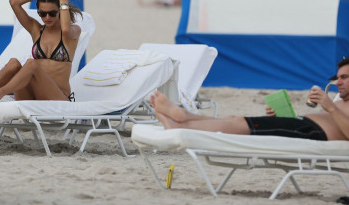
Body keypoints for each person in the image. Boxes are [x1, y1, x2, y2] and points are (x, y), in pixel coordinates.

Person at [150, 57, 349, 141]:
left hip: (310, 132)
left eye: (344, 77)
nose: (338, 82)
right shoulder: (341, 102)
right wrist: (282, 115)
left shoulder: (336, 105)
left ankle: (182, 126)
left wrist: (330, 107)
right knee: (234, 118)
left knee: (239, 123)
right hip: (302, 126)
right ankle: (184, 116)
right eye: (337, 78)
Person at [0, 0, 82, 107]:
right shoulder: (36, 30)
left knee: (31, 63)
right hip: (33, 96)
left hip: (58, 98)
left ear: (60, 10)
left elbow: (65, 29)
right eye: (42, 13)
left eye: (52, 13)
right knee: (13, 63)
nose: (47, 18)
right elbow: (14, 2)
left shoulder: (73, 31)